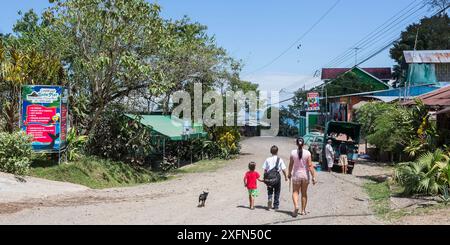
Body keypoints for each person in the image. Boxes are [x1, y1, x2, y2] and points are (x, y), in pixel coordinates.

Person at [288, 138, 318, 217]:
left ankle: (296, 206)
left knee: (295, 192)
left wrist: (289, 173)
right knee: (304, 193)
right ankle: (303, 210)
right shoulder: (308, 153)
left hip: (296, 175)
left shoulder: (293, 152)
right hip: (305, 176)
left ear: (296, 144)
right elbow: (310, 166)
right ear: (303, 144)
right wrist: (313, 176)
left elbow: (291, 164)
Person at [262, 145, 288, 210]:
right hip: (277, 177)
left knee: (270, 190)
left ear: (271, 151)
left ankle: (270, 198)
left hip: (269, 177)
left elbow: (265, 170)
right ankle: (276, 206)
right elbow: (283, 169)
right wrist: (286, 177)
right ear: (277, 152)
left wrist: (265, 178)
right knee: (277, 191)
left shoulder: (267, 159)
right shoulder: (280, 160)